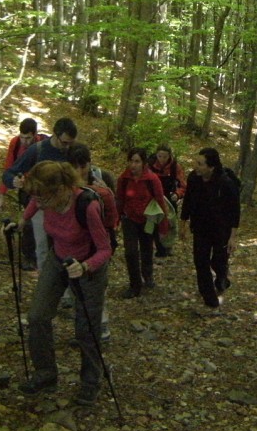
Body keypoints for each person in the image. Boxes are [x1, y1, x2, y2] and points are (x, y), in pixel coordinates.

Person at [11, 161, 112, 403]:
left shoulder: (86, 206)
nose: (40, 203)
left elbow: (105, 249)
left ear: (60, 190)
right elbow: (34, 202)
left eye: (43, 197)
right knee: (37, 316)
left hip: (88, 266)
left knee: (86, 328)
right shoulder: (44, 198)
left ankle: (91, 380)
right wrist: (22, 221)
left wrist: (85, 266)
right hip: (59, 259)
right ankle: (45, 373)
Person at [2, 117, 78, 269]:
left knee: (67, 247)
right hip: (40, 206)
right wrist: (14, 182)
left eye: (70, 143)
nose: (67, 147)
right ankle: (45, 281)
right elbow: (9, 173)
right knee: (42, 246)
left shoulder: (74, 151)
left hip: (67, 208)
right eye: (64, 142)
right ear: (55, 135)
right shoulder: (38, 149)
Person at [179, 147, 241, 316]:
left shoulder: (225, 183)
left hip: (221, 230)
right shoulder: (194, 179)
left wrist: (232, 237)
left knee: (218, 262)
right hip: (200, 228)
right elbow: (188, 201)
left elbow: (235, 211)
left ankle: (221, 278)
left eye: (200, 164)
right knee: (200, 261)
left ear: (211, 167)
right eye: (196, 162)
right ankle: (209, 296)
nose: (196, 166)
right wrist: (182, 223)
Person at [68, 143, 118, 341]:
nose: (80, 170)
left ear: (89, 164)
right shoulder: (65, 186)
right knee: (77, 290)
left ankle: (101, 327)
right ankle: (83, 331)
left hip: (98, 244)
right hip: (75, 244)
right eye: (75, 166)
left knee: (96, 289)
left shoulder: (101, 185)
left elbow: (112, 216)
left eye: (83, 166)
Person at [115, 147, 168, 298]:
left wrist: (163, 226)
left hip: (147, 220)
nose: (133, 165)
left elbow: (160, 201)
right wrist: (116, 219)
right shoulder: (123, 179)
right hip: (129, 219)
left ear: (144, 163)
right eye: (131, 161)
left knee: (146, 249)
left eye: (137, 161)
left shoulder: (152, 180)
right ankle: (134, 285)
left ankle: (148, 275)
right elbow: (119, 200)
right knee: (130, 252)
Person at [0, 118, 47, 270]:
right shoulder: (15, 143)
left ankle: (39, 256)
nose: (24, 141)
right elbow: (9, 168)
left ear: (35, 135)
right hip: (24, 189)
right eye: (22, 137)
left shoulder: (43, 145)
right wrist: (1, 195)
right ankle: (29, 256)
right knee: (27, 221)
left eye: (28, 138)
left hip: (40, 189)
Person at [148, 144, 186, 257]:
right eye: (159, 156)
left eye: (165, 156)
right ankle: (157, 247)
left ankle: (168, 246)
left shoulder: (175, 167)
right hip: (153, 199)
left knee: (170, 224)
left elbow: (183, 185)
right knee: (153, 223)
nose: (162, 159)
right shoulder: (150, 165)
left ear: (169, 156)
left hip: (170, 199)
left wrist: (177, 194)